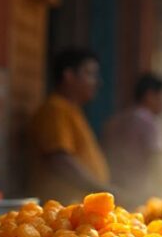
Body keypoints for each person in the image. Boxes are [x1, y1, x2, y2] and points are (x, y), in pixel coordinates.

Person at [29, 48, 111, 204]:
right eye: (90, 74)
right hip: (62, 210)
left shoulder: (72, 110)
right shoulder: (55, 109)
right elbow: (60, 161)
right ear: (69, 76)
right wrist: (101, 190)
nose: (98, 82)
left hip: (78, 207)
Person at [104, 73, 162, 207]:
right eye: (161, 97)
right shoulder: (149, 122)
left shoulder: (117, 120)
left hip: (111, 185)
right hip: (136, 189)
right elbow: (154, 160)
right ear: (149, 95)